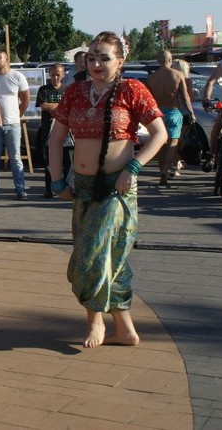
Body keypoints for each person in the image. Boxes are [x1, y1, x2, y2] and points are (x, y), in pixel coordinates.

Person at [48, 31, 166, 349]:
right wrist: (57, 180)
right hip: (82, 187)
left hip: (116, 188)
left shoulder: (132, 90)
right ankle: (125, 330)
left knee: (89, 258)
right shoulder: (75, 92)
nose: (96, 63)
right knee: (110, 258)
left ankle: (95, 320)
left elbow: (159, 134)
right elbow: (56, 139)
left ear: (120, 61)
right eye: (92, 57)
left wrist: (134, 167)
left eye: (104, 57)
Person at [0, 49, 30, 200]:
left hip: (13, 125)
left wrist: (17, 115)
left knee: (15, 158)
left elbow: (25, 100)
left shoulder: (17, 76)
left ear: (7, 59)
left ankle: (20, 189)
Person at [146, 50, 195, 185]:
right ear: (170, 60)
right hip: (173, 111)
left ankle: (161, 169)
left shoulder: (151, 78)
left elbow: (148, 99)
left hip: (157, 113)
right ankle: (166, 170)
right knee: (172, 144)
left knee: (160, 144)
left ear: (157, 61)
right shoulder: (178, 75)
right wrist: (191, 113)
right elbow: (184, 97)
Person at [36, 63, 67, 197]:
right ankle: (49, 189)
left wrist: (55, 106)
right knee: (49, 160)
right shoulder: (44, 90)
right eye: (53, 75)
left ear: (63, 75)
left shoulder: (67, 90)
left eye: (58, 75)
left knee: (66, 161)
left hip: (65, 131)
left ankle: (66, 187)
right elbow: (44, 105)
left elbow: (69, 107)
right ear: (49, 74)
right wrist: (61, 106)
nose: (55, 78)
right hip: (48, 129)